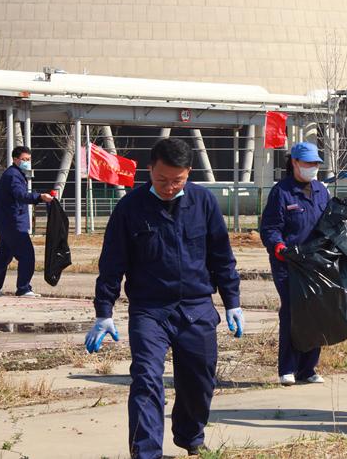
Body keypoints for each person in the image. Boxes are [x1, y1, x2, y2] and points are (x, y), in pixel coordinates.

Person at [84, 138, 244, 459]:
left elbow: (221, 258)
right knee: (146, 379)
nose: (170, 187)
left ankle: (190, 435)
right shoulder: (130, 208)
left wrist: (233, 302)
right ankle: (146, 453)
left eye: (177, 180)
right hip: (150, 310)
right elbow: (112, 264)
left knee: (200, 380)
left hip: (197, 307)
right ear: (149, 170)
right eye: (162, 180)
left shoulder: (203, 203)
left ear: (188, 172)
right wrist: (104, 310)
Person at [260, 142, 330, 386]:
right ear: (295, 163)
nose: (313, 167)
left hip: (316, 262)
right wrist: (278, 246)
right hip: (288, 264)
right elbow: (270, 228)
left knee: (316, 314)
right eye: (308, 163)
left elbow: (329, 224)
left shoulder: (322, 190)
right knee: (292, 313)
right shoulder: (282, 192)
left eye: (316, 163)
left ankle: (308, 369)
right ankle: (287, 368)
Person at [0, 147, 53, 297]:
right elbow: (20, 195)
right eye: (24, 159)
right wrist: (40, 197)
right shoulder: (14, 176)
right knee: (27, 254)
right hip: (13, 222)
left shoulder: (13, 174)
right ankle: (23, 288)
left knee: (3, 257)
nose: (27, 162)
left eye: (28, 160)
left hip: (5, 222)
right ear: (15, 159)